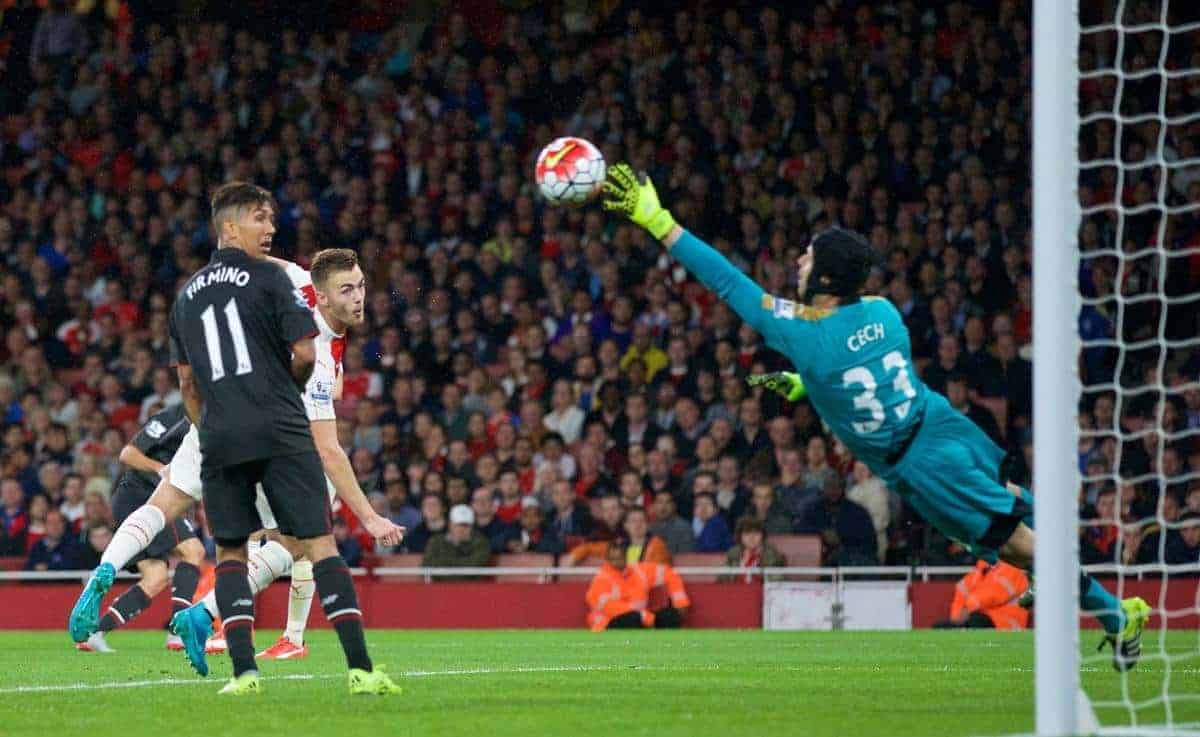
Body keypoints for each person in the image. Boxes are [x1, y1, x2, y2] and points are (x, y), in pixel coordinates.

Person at [600, 163, 1149, 669]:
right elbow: (862, 375)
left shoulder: (802, 333)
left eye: (809, 256)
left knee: (1019, 545)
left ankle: (1115, 614)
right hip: (940, 420)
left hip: (919, 462)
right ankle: (1063, 568)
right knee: (1014, 509)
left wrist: (659, 220)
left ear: (827, 281)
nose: (799, 261)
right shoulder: (884, 311)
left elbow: (728, 282)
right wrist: (805, 383)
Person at [72, 183, 401, 695]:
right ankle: (343, 663)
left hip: (214, 415)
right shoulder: (296, 313)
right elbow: (326, 440)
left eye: (361, 288)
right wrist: (372, 516)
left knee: (184, 513)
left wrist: (208, 426)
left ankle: (110, 572)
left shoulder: (252, 279)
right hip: (271, 420)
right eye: (348, 290)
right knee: (308, 537)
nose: (358, 298)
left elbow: (189, 380)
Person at [77, 403, 205, 654]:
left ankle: (95, 633)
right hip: (142, 495)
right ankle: (178, 633)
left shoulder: (213, 420)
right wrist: (161, 469)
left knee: (156, 577)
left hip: (158, 498)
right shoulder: (175, 416)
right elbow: (128, 453)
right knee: (194, 551)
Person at [584, 541, 690, 631]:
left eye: (619, 558)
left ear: (626, 557)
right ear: (607, 559)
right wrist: (646, 617)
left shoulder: (639, 571)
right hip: (607, 625)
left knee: (669, 616)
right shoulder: (601, 578)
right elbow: (612, 608)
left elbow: (669, 574)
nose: (615, 562)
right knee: (632, 619)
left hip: (640, 619)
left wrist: (680, 602)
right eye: (612, 559)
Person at [934, 560, 1030, 631]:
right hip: (980, 617)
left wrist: (968, 609)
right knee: (940, 627)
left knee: (975, 621)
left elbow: (995, 594)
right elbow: (961, 591)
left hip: (1006, 622)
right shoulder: (980, 570)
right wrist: (956, 618)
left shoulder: (1013, 567)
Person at [421, 504, 492, 578]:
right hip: (440, 587)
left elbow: (475, 566)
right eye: (458, 524)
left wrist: (444, 566)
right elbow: (427, 565)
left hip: (472, 587)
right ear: (450, 524)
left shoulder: (482, 543)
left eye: (466, 525)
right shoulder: (436, 542)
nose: (461, 529)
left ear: (472, 526)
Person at [721, 516, 786, 583]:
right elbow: (722, 580)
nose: (751, 537)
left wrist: (760, 562)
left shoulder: (773, 555)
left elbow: (777, 581)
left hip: (761, 592)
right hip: (736, 592)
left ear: (763, 536)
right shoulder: (733, 554)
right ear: (740, 536)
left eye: (756, 533)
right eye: (747, 533)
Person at [649, 490, 694, 555]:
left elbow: (685, 555)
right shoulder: (650, 527)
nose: (663, 506)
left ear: (674, 506)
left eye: (668, 502)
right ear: (653, 506)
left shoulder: (683, 527)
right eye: (659, 502)